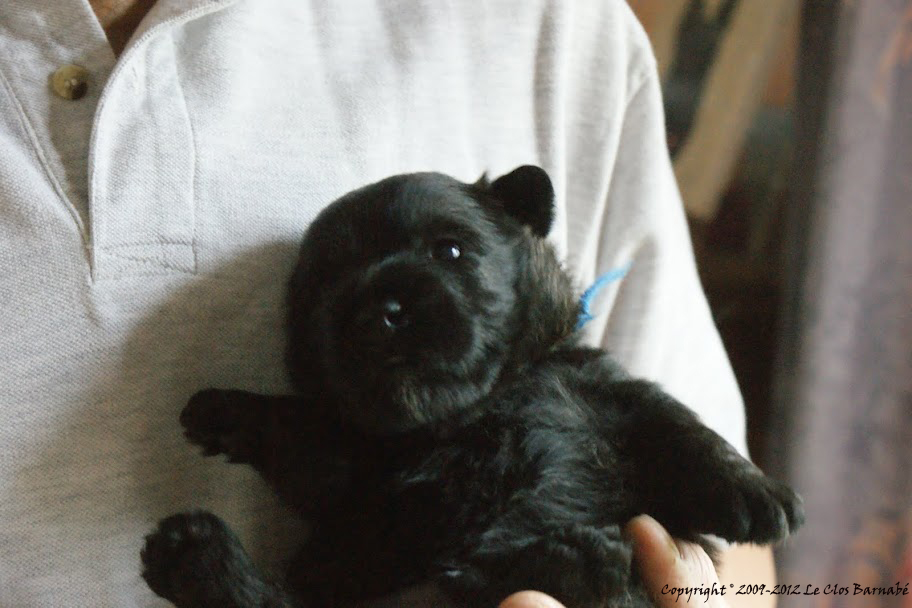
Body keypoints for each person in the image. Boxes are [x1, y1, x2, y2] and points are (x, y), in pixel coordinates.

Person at [0, 0, 775, 606]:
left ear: (520, 223)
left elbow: (735, 558)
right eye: (331, 295)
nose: (386, 311)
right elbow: (343, 481)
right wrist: (271, 432)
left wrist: (713, 526)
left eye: (450, 252)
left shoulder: (550, 24)